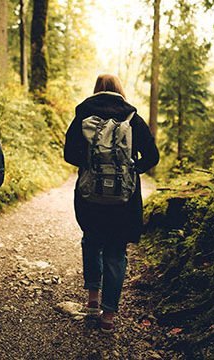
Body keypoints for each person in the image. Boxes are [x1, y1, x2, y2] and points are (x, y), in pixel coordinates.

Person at [64, 74, 160, 332]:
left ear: (96, 91)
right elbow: (152, 156)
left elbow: (68, 154)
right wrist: (131, 170)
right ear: (120, 90)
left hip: (89, 196)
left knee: (91, 240)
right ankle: (108, 317)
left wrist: (90, 165)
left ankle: (92, 300)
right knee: (116, 252)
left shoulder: (83, 117)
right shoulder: (132, 118)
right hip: (123, 200)